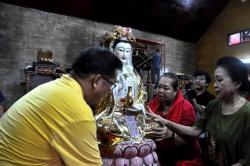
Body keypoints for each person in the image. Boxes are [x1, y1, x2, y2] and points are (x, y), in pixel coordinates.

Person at [0, 47, 123, 166]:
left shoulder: (55, 87)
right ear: (97, 81)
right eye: (111, 84)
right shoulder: (76, 109)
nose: (109, 92)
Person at [149, 56, 250, 165]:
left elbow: (245, 161)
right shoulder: (214, 105)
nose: (215, 85)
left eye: (220, 80)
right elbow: (195, 131)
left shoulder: (246, 113)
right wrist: (165, 122)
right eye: (215, 80)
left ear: (238, 82)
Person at [95, 26, 159, 165]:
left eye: (128, 51)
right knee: (104, 127)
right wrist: (121, 105)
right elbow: (102, 102)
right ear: (113, 52)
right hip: (113, 115)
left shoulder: (135, 75)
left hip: (132, 116)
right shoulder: (106, 74)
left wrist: (138, 106)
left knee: (152, 126)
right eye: (121, 50)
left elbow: (141, 96)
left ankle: (132, 146)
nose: (124, 55)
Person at [148, 72, 201, 166]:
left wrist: (171, 135)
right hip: (159, 155)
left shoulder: (186, 108)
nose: (160, 91)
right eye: (159, 87)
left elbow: (189, 140)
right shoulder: (152, 105)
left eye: (166, 88)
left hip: (183, 157)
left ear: (176, 90)